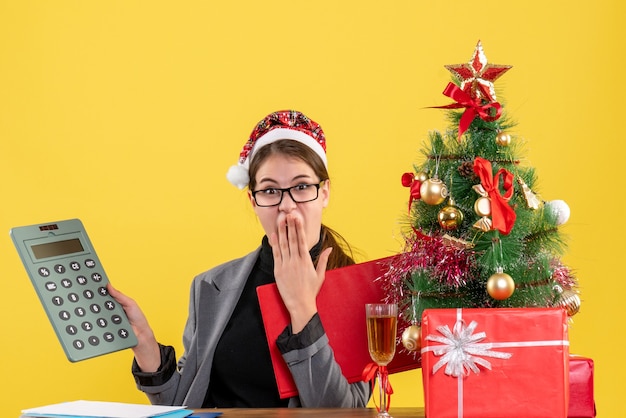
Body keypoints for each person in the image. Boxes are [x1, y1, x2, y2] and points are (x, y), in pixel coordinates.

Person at [109, 110, 371, 408]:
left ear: (324, 193)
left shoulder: (357, 290)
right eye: (270, 191)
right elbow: (185, 406)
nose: (286, 206)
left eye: (301, 187)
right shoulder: (210, 286)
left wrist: (302, 310)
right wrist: (146, 348)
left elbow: (345, 413)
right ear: (253, 201)